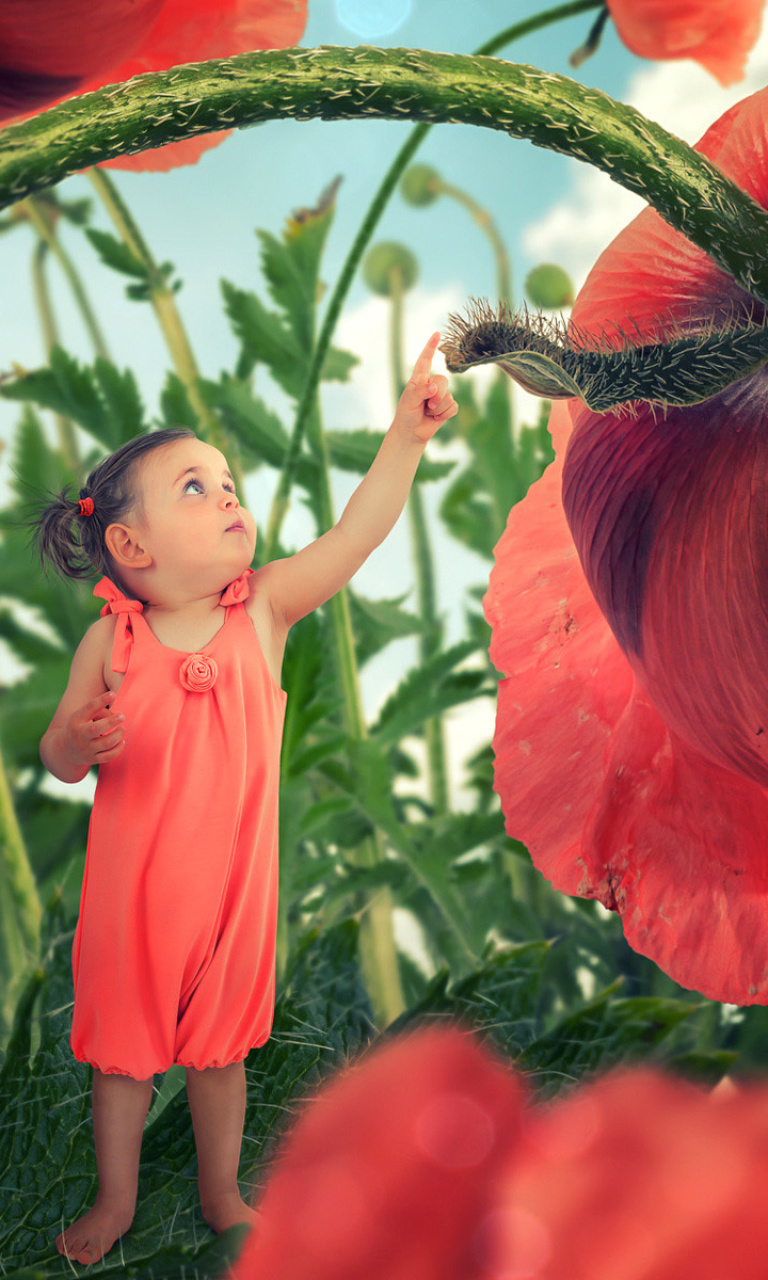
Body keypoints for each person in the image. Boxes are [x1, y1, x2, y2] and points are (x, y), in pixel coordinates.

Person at [36, 333, 457, 1265]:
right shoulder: (112, 644)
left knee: (221, 1055)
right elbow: (57, 753)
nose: (228, 493)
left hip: (231, 903)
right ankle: (115, 1200)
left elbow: (355, 535)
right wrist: (79, 739)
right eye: (195, 486)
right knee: (122, 1062)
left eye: (227, 481)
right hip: (131, 906)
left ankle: (221, 1190)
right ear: (128, 543)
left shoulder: (261, 609)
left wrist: (404, 441)